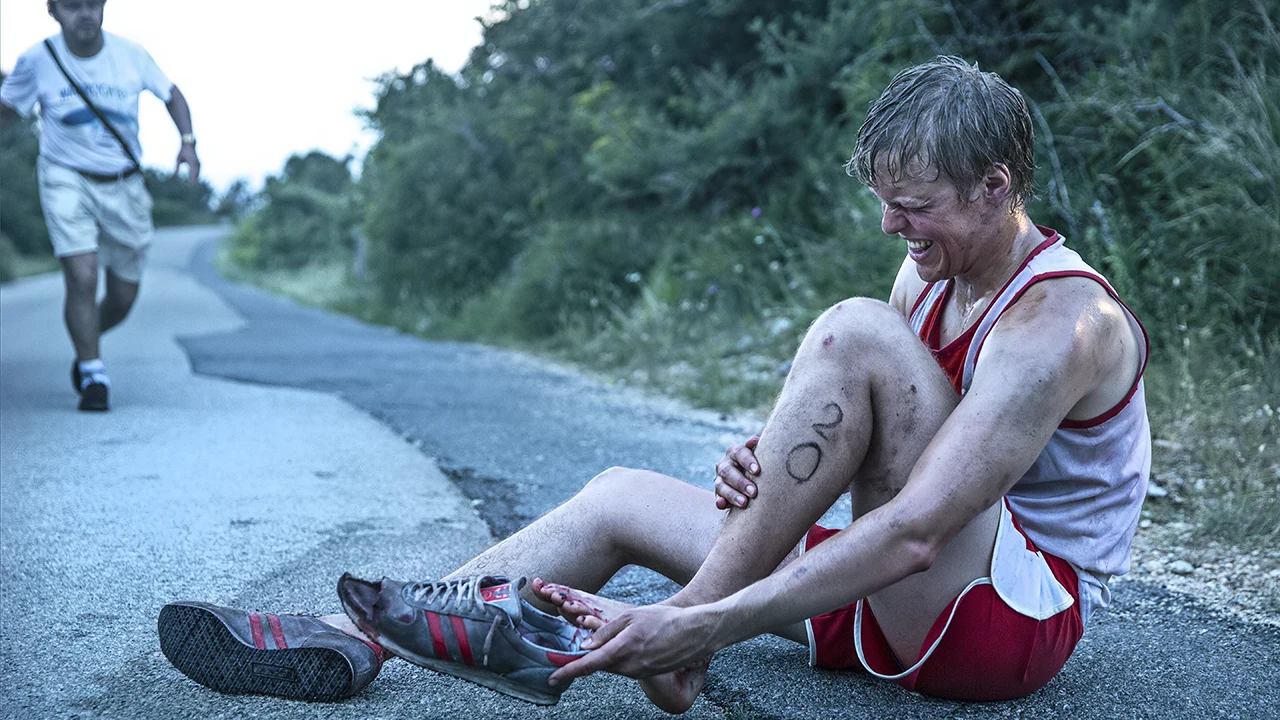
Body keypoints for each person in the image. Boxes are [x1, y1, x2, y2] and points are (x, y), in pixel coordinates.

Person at [157, 56, 1149, 712]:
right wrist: (772, 463)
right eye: (884, 206)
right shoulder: (928, 271)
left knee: (852, 329)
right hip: (889, 586)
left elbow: (919, 527)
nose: (893, 229)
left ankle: (681, 642)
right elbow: (876, 442)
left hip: (1005, 622)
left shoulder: (1060, 322)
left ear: (996, 186)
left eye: (914, 207)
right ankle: (348, 639)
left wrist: (703, 614)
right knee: (615, 497)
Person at [0, 0, 201, 411]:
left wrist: (188, 143)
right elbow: (7, 110)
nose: (85, 14)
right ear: (53, 11)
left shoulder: (131, 55)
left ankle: (86, 342)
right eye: (73, 6)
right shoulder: (37, 60)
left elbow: (172, 94)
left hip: (124, 183)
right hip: (64, 177)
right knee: (81, 275)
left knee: (124, 296)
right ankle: (93, 374)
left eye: (93, 4)